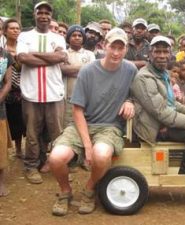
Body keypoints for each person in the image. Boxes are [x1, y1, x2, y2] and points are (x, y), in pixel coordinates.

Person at [49, 28, 137, 216]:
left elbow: (137, 95)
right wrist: (87, 144)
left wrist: (130, 101)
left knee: (101, 155)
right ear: (104, 45)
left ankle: (89, 189)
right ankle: (65, 192)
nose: (115, 52)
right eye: (112, 46)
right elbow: (77, 109)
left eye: (120, 48)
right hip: (82, 124)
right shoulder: (88, 71)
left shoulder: (130, 70)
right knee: (56, 158)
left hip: (110, 126)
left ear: (126, 49)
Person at [131, 35, 185, 176]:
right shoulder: (144, 77)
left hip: (164, 122)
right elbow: (160, 111)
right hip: (155, 128)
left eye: (165, 52)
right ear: (150, 54)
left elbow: (172, 104)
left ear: (170, 54)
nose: (162, 56)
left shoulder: (164, 74)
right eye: (157, 51)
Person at [16, 1, 67, 184]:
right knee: (32, 133)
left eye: (47, 13)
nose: (44, 16)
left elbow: (62, 57)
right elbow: (22, 58)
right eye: (40, 12)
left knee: (55, 133)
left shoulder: (59, 38)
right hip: (31, 93)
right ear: (35, 15)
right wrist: (50, 57)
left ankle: (52, 162)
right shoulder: (24, 36)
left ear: (51, 16)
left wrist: (35, 54)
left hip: (54, 93)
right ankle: (31, 166)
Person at [60, 25, 95, 128]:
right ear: (68, 38)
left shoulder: (90, 54)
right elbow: (62, 70)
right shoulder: (63, 54)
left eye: (80, 35)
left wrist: (70, 69)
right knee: (67, 127)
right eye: (73, 35)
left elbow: (91, 73)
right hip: (67, 99)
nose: (77, 37)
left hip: (85, 98)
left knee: (84, 125)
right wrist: (84, 68)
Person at [3, 18, 25, 159]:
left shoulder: (23, 47)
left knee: (18, 119)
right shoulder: (1, 49)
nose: (15, 31)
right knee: (5, 121)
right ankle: (4, 151)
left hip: (20, 89)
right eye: (12, 28)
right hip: (4, 89)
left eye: (17, 28)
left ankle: (18, 149)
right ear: (5, 31)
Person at [0, 46, 13, 197]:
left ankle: (1, 181)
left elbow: (8, 82)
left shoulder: (6, 55)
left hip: (0, 107)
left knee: (1, 144)